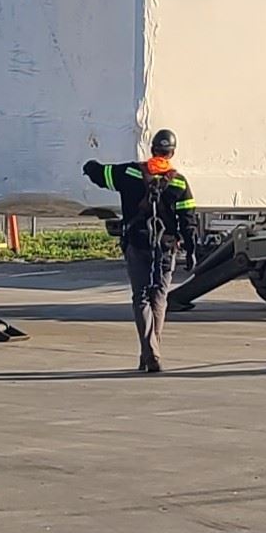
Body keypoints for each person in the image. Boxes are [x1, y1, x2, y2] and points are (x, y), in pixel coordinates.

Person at [84, 129, 197, 373]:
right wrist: (192, 250)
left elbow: (101, 174)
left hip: (137, 243)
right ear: (172, 153)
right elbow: (188, 220)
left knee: (141, 297)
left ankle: (150, 352)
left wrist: (89, 164)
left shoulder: (130, 172)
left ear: (152, 149)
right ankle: (151, 352)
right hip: (166, 248)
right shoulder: (179, 182)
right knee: (159, 298)